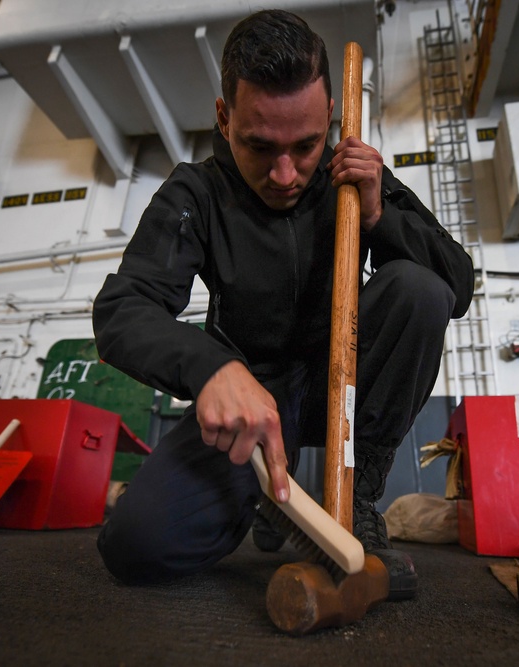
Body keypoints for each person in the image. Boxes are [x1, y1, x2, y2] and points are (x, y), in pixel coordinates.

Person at [92, 9, 474, 590]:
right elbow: (123, 311)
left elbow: (458, 284)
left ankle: (358, 500)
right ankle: (269, 502)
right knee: (137, 546)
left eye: (307, 144)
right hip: (250, 401)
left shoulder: (353, 174)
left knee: (417, 287)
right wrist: (212, 368)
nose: (286, 173)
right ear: (224, 119)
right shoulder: (194, 193)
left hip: (341, 381)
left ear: (330, 118)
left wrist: (377, 215)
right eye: (259, 146)